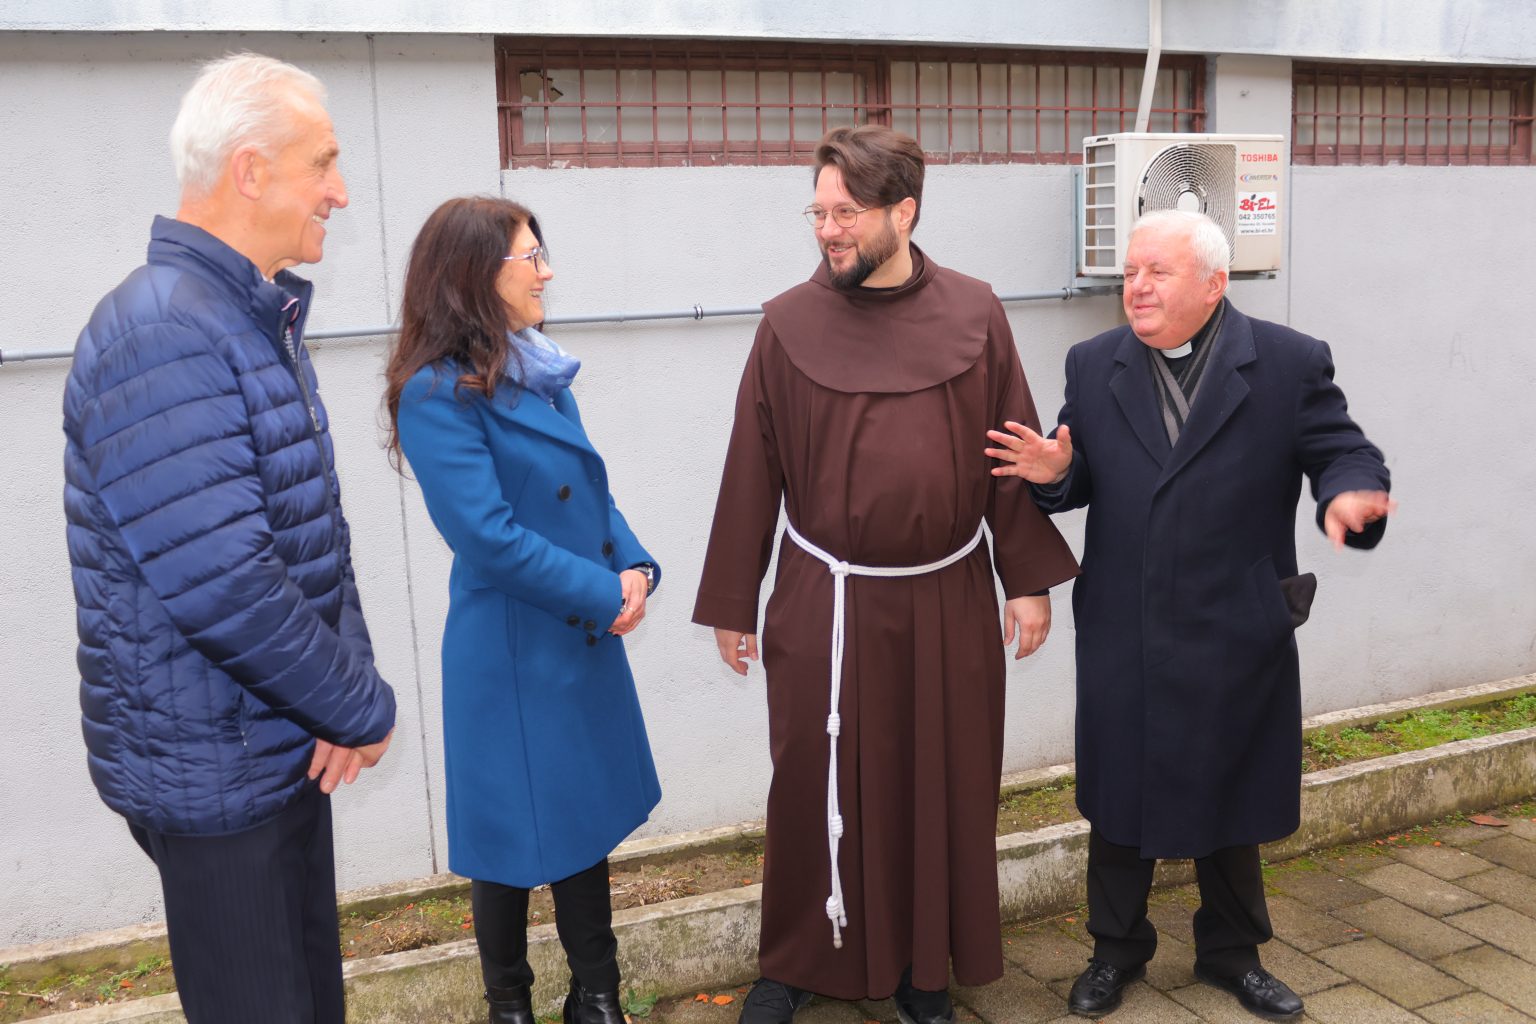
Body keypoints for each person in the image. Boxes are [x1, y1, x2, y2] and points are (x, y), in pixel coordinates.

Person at [693, 125, 1079, 1024]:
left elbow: (1011, 453)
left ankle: (921, 966)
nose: (827, 230)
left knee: (939, 781)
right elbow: (752, 466)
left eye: (846, 213)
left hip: (946, 594)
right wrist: (733, 600)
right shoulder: (787, 324)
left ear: (904, 213)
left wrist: (1025, 580)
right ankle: (796, 961)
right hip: (824, 597)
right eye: (818, 212)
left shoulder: (976, 312)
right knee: (809, 779)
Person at [987, 209, 1393, 1021]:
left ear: (1214, 284)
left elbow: (1342, 449)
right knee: (1119, 795)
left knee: (1230, 792)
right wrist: (1056, 473)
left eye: (1157, 273)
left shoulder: (1287, 362)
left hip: (1234, 622)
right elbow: (1084, 478)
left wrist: (1351, 491)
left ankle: (1232, 955)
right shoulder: (1094, 362)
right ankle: (1115, 950)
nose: (1136, 287)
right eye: (1130, 273)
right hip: (1126, 622)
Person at [62, 53, 397, 1024]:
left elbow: (314, 536)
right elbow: (225, 583)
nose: (339, 191)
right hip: (215, 775)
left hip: (276, 747)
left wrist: (340, 693)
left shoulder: (246, 318)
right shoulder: (162, 332)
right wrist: (359, 704)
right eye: (322, 163)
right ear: (251, 170)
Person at [385, 196, 661, 1024]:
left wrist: (633, 563)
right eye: (530, 258)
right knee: (504, 844)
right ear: (476, 274)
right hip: (509, 650)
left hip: (573, 636)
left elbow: (590, 491)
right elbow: (489, 538)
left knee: (583, 819)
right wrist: (602, 593)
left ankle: (597, 996)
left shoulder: (538, 370)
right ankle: (509, 1006)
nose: (547, 272)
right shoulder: (435, 396)